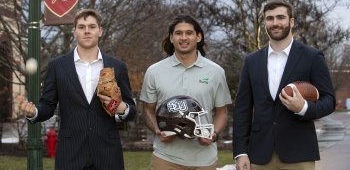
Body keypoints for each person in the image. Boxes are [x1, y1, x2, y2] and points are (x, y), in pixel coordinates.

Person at [19, 9, 136, 170]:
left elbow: (132, 111)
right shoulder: (57, 66)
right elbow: (47, 105)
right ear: (74, 32)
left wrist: (121, 107)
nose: (87, 31)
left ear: (100, 31)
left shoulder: (117, 67)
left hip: (107, 153)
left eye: (92, 26)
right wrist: (34, 112)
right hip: (70, 153)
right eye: (81, 27)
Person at [232, 0, 336, 170]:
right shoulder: (251, 61)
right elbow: (242, 109)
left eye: (280, 17)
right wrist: (241, 151)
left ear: (291, 21)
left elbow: (329, 101)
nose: (275, 23)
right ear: (265, 22)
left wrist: (303, 107)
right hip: (259, 154)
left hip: (299, 152)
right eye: (270, 18)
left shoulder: (312, 57)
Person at [140, 14, 232, 170]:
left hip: (204, 160)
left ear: (198, 37)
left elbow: (222, 112)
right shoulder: (154, 71)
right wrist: (157, 129)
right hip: (165, 158)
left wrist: (213, 134)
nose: (183, 37)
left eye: (189, 33)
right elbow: (148, 110)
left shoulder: (216, 72)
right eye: (178, 33)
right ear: (171, 38)